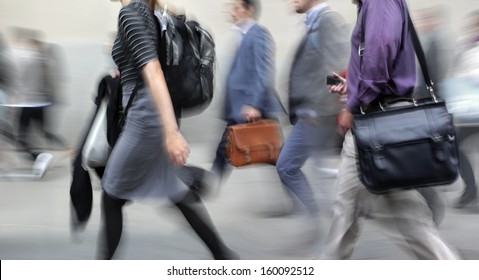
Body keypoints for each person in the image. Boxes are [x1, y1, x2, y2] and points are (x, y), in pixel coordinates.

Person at [320, 0, 459, 259]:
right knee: (355, 213)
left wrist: (353, 104)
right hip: (379, 122)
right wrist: (352, 84)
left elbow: (378, 63)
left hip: (377, 123)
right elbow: (376, 65)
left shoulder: (379, 2)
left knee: (351, 213)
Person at [100, 0, 236, 259]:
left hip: (146, 116)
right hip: (152, 111)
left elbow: (153, 70)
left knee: (112, 192)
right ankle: (224, 257)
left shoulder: (131, 12)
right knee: (174, 189)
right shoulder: (149, 13)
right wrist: (122, 73)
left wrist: (171, 132)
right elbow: (145, 64)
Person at [274, 0, 348, 221]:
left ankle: (319, 225)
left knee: (287, 167)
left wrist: (317, 108)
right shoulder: (315, 22)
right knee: (316, 173)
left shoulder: (328, 21)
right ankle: (325, 225)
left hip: (316, 115)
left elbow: (338, 69)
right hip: (311, 113)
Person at [210, 0, 285, 187]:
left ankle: (207, 184)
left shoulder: (258, 34)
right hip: (242, 106)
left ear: (248, 9)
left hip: (251, 106)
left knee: (274, 152)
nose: (231, 12)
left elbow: (264, 72)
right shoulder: (243, 35)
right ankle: (209, 183)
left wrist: (254, 104)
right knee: (228, 148)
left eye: (235, 7)